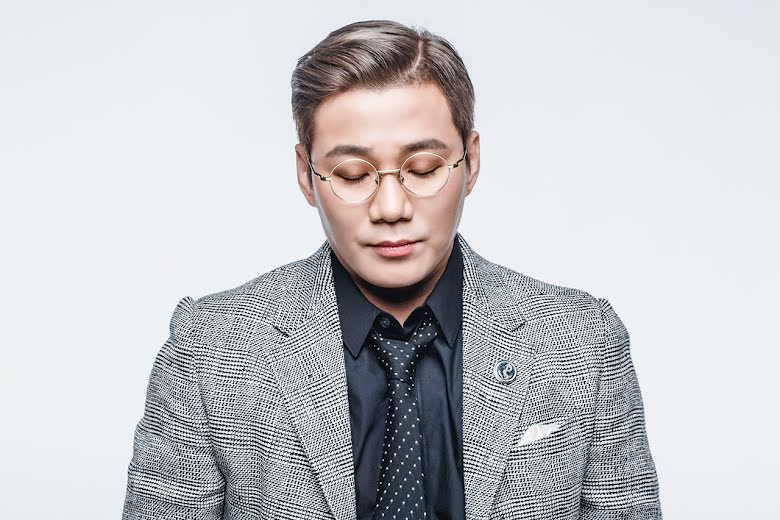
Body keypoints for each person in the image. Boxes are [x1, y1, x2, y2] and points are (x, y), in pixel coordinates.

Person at [122, 19, 662, 520]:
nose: (390, 207)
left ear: (471, 161)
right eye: (352, 174)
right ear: (306, 176)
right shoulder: (209, 351)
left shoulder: (583, 342)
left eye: (423, 169)